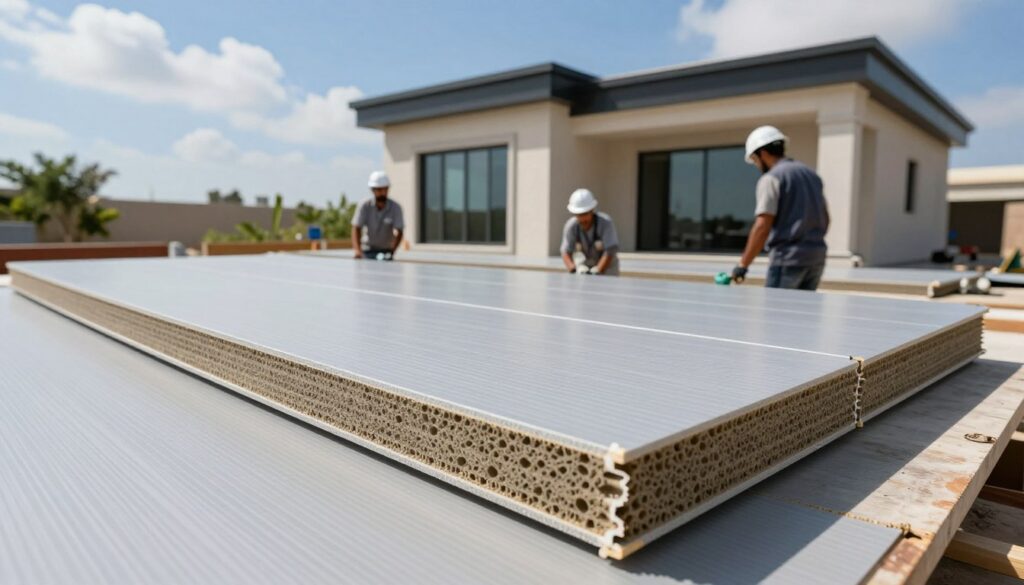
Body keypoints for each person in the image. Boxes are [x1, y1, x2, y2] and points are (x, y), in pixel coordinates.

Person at [731, 126, 830, 290]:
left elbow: (762, 226)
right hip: (816, 259)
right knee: (803, 314)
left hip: (787, 260)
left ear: (762, 153)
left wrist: (743, 265)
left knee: (775, 314)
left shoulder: (772, 178)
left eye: (755, 160)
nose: (756, 165)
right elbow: (826, 218)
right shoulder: (811, 175)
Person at [560, 189, 620, 276]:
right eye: (579, 215)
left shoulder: (605, 223)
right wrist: (573, 270)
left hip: (608, 270)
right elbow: (565, 251)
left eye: (585, 214)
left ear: (592, 210)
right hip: (583, 270)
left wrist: (598, 270)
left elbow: (610, 250)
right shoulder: (571, 226)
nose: (582, 218)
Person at [352, 171, 404, 260]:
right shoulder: (364, 206)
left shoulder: (396, 207)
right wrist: (358, 251)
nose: (382, 193)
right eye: (379, 190)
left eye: (385, 189)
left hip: (386, 252)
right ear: (373, 190)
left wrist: (392, 251)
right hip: (367, 250)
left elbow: (400, 230)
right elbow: (356, 227)